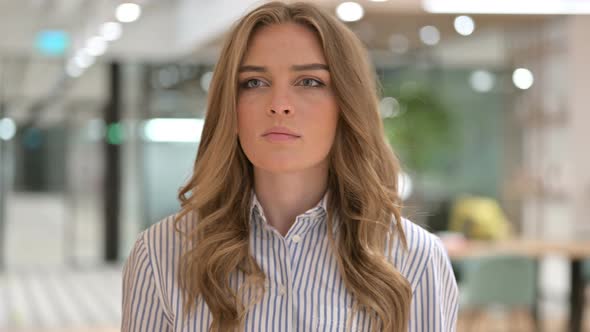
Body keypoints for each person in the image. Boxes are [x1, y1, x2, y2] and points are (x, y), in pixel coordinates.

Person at [121, 2, 458, 331]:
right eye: (254, 82)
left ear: (346, 104)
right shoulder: (161, 253)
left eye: (309, 82)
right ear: (230, 107)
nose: (279, 105)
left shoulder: (414, 258)